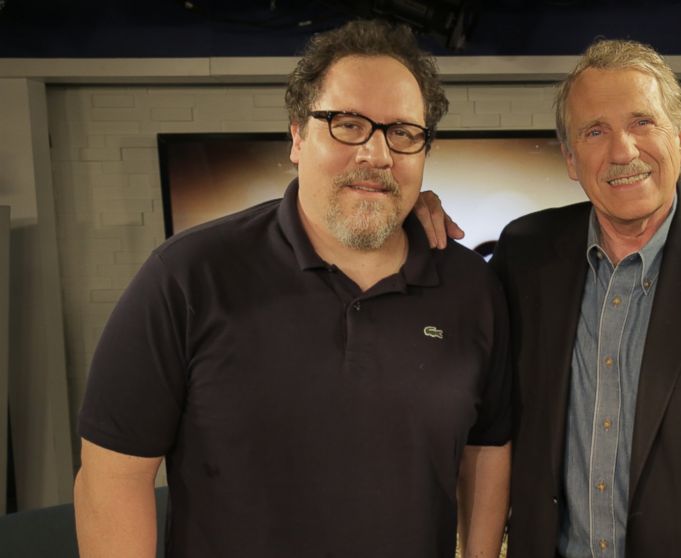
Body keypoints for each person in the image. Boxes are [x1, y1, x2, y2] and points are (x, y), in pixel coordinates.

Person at [74, 20, 511, 558]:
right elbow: (112, 477)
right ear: (298, 137)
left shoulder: (473, 289)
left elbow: (487, 448)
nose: (376, 155)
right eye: (347, 124)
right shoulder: (187, 276)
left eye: (402, 132)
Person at [417, 38, 681, 557]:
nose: (623, 151)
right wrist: (402, 220)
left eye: (642, 122)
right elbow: (458, 374)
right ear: (571, 159)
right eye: (595, 131)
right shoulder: (524, 254)